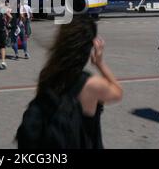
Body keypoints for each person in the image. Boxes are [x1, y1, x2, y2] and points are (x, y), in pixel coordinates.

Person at [19, 14, 122, 148]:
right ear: (89, 46)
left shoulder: (47, 73)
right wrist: (99, 63)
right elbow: (118, 92)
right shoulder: (91, 84)